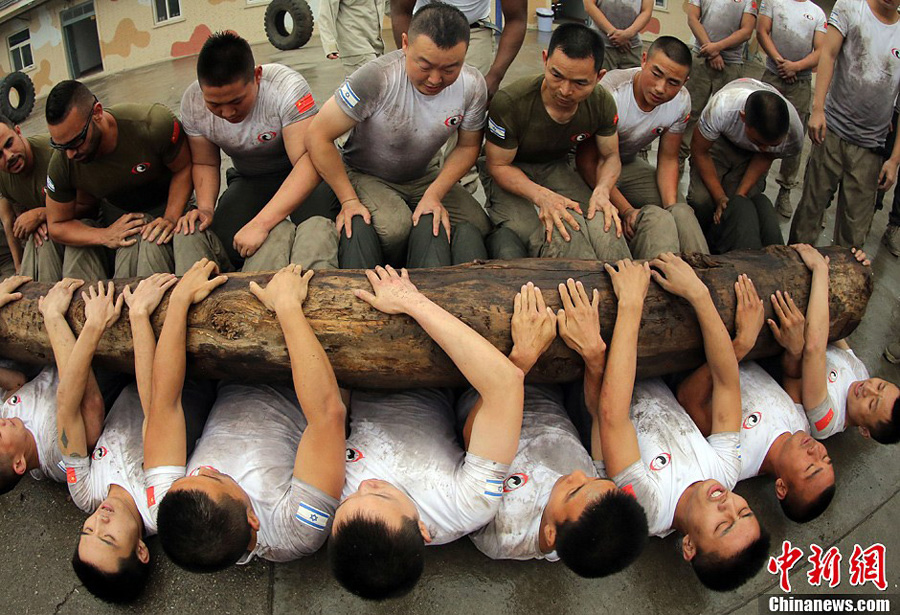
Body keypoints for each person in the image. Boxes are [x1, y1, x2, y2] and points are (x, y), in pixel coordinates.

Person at [329, 265, 524, 600]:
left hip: (359, 348)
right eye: (380, 495)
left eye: (347, 501)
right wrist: (410, 301)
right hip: (435, 349)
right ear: (423, 530)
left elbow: (328, 409)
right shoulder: (466, 507)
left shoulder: (335, 507)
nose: (361, 485)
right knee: (436, 249)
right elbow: (506, 385)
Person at [156, 263, 346, 571]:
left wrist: (179, 301)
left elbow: (163, 403)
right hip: (303, 355)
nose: (203, 467)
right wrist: (286, 306)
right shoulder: (295, 531)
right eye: (214, 476)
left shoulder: (173, 502)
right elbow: (327, 414)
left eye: (194, 474)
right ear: (252, 520)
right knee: (313, 244)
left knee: (259, 254)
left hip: (234, 352)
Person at [601, 254, 769, 591]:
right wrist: (699, 294)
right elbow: (726, 381)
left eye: (723, 525)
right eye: (744, 511)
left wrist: (632, 305)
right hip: (653, 358)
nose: (729, 505)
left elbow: (612, 416)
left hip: (603, 354)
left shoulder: (647, 508)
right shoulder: (725, 471)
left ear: (689, 547)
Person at [458, 280, 648, 575]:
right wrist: (594, 356)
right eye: (591, 478)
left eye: (574, 490)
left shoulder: (502, 527)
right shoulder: (596, 503)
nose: (576, 475)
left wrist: (520, 361)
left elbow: (474, 439)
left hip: (479, 383)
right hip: (547, 375)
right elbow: (599, 416)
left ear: (550, 535)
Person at [54, 276, 214, 603]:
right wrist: (139, 315)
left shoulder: (84, 492)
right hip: (188, 361)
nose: (100, 520)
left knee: (133, 262)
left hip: (135, 357)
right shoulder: (158, 508)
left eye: (87, 530)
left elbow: (67, 408)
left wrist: (93, 324)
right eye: (108, 537)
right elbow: (156, 407)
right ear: (141, 550)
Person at [306, 3, 493, 269]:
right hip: (367, 172)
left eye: (450, 69)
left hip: (424, 173)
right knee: (395, 230)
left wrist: (434, 194)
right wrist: (348, 199)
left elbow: (468, 146)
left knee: (478, 225)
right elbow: (317, 135)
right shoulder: (376, 77)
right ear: (405, 43)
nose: (435, 79)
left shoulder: (473, 85)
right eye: (424, 65)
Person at [175, 32, 339, 275]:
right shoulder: (192, 103)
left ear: (257, 76)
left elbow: (308, 163)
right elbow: (205, 163)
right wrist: (206, 208)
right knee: (229, 242)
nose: (228, 112)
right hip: (250, 177)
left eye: (236, 101)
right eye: (215, 105)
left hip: (301, 173)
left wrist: (262, 223)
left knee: (319, 228)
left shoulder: (286, 87)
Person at [677, 274, 835, 523]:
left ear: (781, 487)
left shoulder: (738, 458)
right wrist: (795, 349)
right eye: (826, 458)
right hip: (748, 318)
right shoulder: (802, 427)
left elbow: (689, 398)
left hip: (697, 334)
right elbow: (793, 377)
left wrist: (741, 344)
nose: (816, 451)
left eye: (810, 466)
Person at [482, 23, 629, 261]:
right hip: (509, 168)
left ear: (599, 77)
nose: (565, 90)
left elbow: (610, 156)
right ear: (545, 60)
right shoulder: (510, 102)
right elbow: (497, 165)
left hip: (554, 165)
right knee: (538, 231)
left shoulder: (601, 102)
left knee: (599, 220)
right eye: (556, 75)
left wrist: (603, 189)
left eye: (580, 83)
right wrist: (542, 197)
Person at [44, 80, 191, 279]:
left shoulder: (151, 124)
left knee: (183, 237)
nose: (70, 154)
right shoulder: (62, 162)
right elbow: (57, 224)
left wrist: (171, 217)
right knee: (87, 246)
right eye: (61, 146)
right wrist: (104, 236)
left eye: (76, 142)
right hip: (117, 217)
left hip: (168, 203)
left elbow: (184, 169)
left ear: (97, 112)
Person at [789, 0, 900, 249]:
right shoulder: (851, 6)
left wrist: (894, 160)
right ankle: (792, 271)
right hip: (832, 131)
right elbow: (828, 54)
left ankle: (837, 283)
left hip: (871, 147)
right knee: (810, 211)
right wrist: (818, 109)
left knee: (854, 233)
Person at [586, 36, 709, 258]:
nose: (661, 88)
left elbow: (669, 159)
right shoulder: (611, 92)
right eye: (656, 74)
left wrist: (670, 208)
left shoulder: (681, 101)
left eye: (673, 82)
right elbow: (587, 162)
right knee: (607, 224)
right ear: (644, 60)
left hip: (628, 164)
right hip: (592, 167)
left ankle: (701, 274)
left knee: (681, 211)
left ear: (685, 81)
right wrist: (627, 210)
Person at [785, 245, 899, 445]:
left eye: (872, 403)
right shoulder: (861, 374)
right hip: (798, 306)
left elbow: (814, 347)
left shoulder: (827, 419)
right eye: (880, 385)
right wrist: (853, 271)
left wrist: (821, 270)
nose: (868, 388)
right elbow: (834, 331)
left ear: (864, 431)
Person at [0, 276, 104, 495]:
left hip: (53, 331)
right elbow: (90, 404)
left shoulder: (11, 420)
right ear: (19, 464)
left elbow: (16, 380)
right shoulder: (56, 452)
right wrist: (53, 318)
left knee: (39, 253)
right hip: (95, 348)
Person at [688, 79, 802, 253]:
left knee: (745, 205)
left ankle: (723, 242)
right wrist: (719, 197)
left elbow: (765, 155)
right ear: (743, 118)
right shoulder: (722, 108)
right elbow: (700, 152)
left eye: (769, 144)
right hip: (720, 140)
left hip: (754, 158)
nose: (763, 147)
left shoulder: (793, 133)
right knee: (701, 200)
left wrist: (739, 196)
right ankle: (702, 244)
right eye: (758, 142)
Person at [0, 117, 105, 282]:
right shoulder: (3, 177)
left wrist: (42, 214)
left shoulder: (56, 157)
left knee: (53, 239)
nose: (9, 156)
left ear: (19, 132)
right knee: (40, 241)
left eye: (9, 144)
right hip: (48, 236)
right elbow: (9, 221)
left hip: (84, 227)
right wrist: (18, 266)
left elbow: (89, 205)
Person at [754, 0, 826, 218]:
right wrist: (780, 62)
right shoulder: (773, 3)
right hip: (772, 76)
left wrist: (796, 66)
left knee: (794, 137)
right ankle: (756, 181)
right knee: (761, 128)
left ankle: (785, 190)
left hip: (801, 83)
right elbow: (762, 31)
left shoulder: (817, 13)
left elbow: (821, 50)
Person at [392, 0, 528, 99]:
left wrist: (495, 75)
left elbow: (516, 19)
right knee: (419, 101)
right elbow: (401, 11)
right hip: (425, 28)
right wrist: (409, 58)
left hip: (474, 29)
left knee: (468, 99)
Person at [679, 0, 758, 168]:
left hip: (731, 65)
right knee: (689, 111)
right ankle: (678, 158)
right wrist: (712, 52)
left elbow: (746, 31)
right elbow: (692, 17)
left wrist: (716, 48)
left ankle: (707, 163)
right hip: (700, 58)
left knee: (726, 117)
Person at [319, 0, 387, 76]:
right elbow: (326, 12)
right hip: (353, 43)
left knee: (378, 82)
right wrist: (330, 45)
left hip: (376, 44)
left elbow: (388, 5)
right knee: (373, 79)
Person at [584, 0, 653, 70]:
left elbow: (646, 11)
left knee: (631, 79)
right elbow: (589, 6)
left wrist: (627, 34)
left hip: (631, 47)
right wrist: (613, 33)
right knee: (601, 79)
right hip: (602, 45)